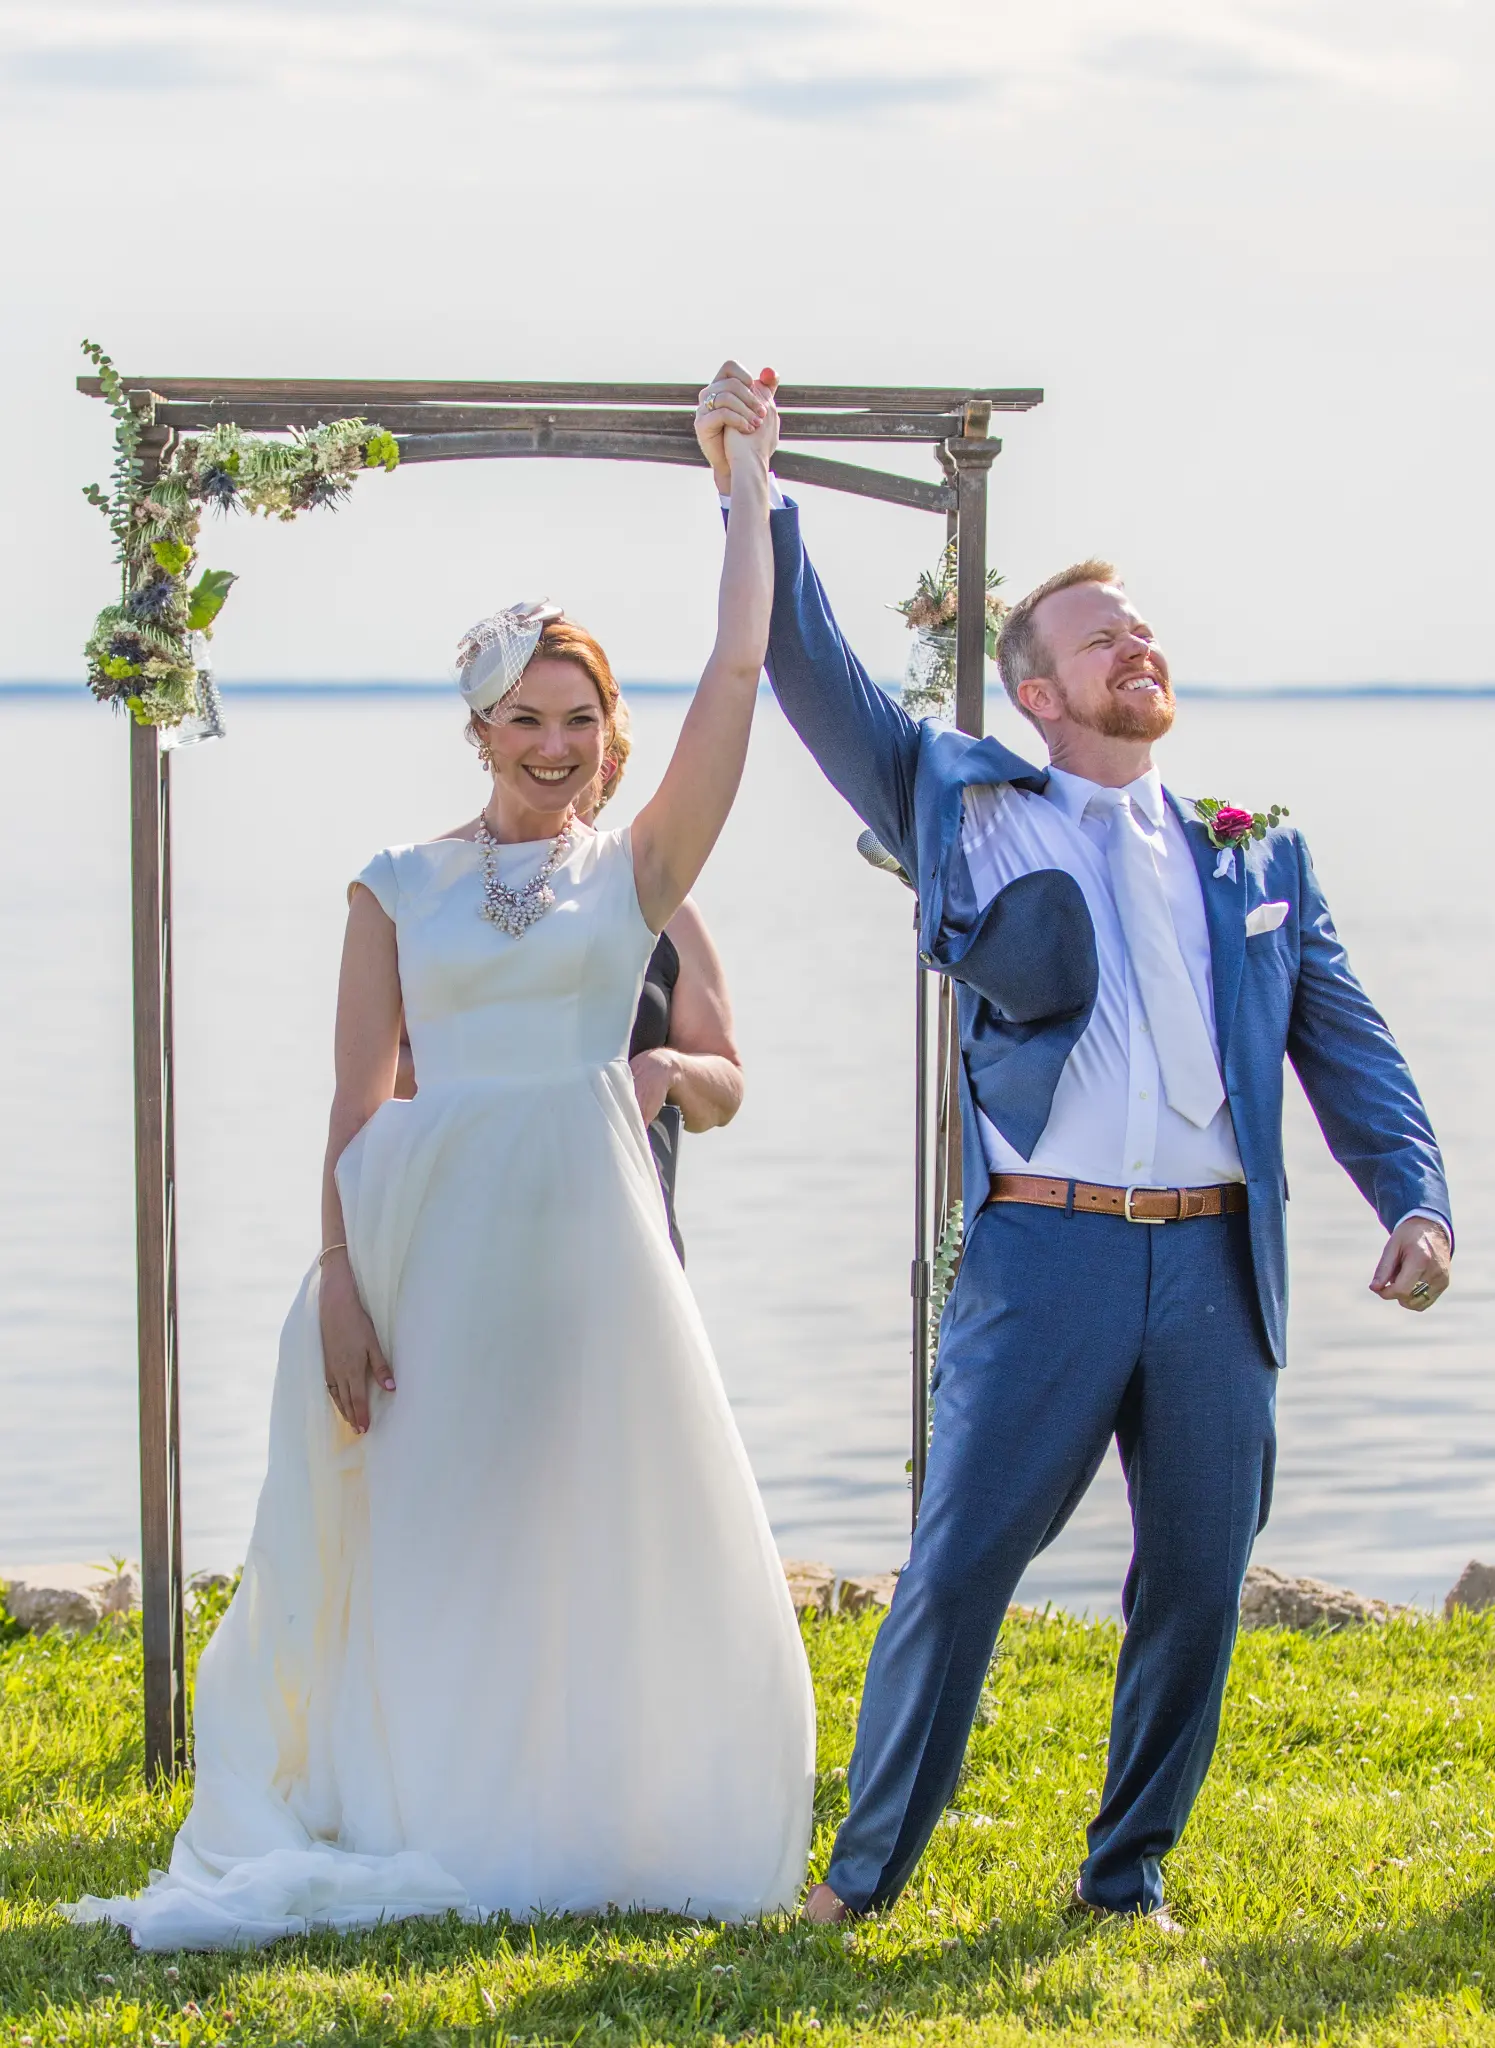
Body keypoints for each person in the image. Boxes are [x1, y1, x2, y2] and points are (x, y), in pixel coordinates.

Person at [694, 360, 1452, 1929]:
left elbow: (1348, 1042)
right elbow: (816, 670)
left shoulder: (1254, 854)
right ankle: (861, 1878)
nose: (1137, 647)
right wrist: (752, 482)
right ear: (1035, 692)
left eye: (1144, 630)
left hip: (1217, 1263)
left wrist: (1416, 1201)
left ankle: (1125, 1882)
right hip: (1043, 1254)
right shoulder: (963, 805)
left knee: (1190, 1585)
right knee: (958, 1570)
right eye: (1101, 636)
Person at [66, 374, 812, 1950]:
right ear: (478, 727)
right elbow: (353, 1108)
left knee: (595, 1519)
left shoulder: (640, 874)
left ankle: (600, 1800)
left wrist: (743, 492)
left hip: (596, 1239)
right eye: (523, 718)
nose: (552, 745)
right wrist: (341, 1285)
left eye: (579, 718)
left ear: (611, 733)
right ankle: (440, 1800)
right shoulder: (392, 887)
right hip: (426, 1241)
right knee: (442, 1525)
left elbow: (739, 670)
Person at [391, 702, 745, 1263]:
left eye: (588, 745)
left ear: (608, 767)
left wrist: (668, 1068)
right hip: (470, 1230)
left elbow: (725, 1088)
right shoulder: (443, 898)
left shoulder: (665, 905)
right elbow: (383, 1071)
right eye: (534, 729)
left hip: (630, 1237)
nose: (559, 760)